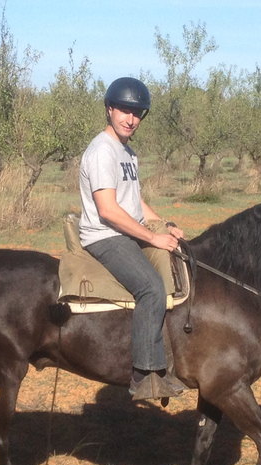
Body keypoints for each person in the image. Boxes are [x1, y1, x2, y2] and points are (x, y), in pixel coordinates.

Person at [78, 77, 187, 400]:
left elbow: (133, 200)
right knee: (151, 288)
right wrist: (153, 240)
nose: (131, 119)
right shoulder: (102, 151)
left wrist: (162, 224)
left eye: (137, 113)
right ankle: (144, 375)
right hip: (106, 236)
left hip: (125, 230)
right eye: (125, 110)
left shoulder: (126, 151)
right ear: (109, 110)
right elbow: (109, 211)